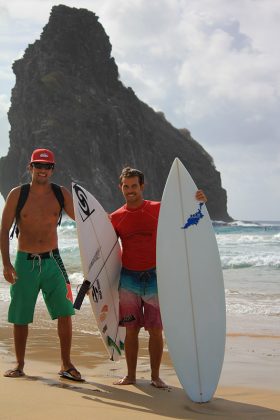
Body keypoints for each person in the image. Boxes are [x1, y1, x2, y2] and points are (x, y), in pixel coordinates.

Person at [110, 166, 207, 388]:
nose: (130, 190)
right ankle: (131, 376)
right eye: (126, 186)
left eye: (134, 186)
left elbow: (188, 217)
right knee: (131, 330)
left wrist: (200, 201)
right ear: (121, 188)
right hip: (128, 279)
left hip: (155, 277)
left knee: (155, 330)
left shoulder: (159, 209)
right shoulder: (115, 218)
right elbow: (105, 252)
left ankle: (155, 376)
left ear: (142, 186)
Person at [0, 148, 83, 381]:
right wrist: (6, 264)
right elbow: (4, 229)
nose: (42, 171)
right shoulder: (18, 194)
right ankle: (19, 365)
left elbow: (84, 219)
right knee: (20, 315)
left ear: (52, 170)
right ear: (30, 168)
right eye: (38, 166)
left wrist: (110, 220)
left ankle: (66, 364)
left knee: (65, 311)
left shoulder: (60, 194)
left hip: (53, 260)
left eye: (47, 167)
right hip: (24, 261)